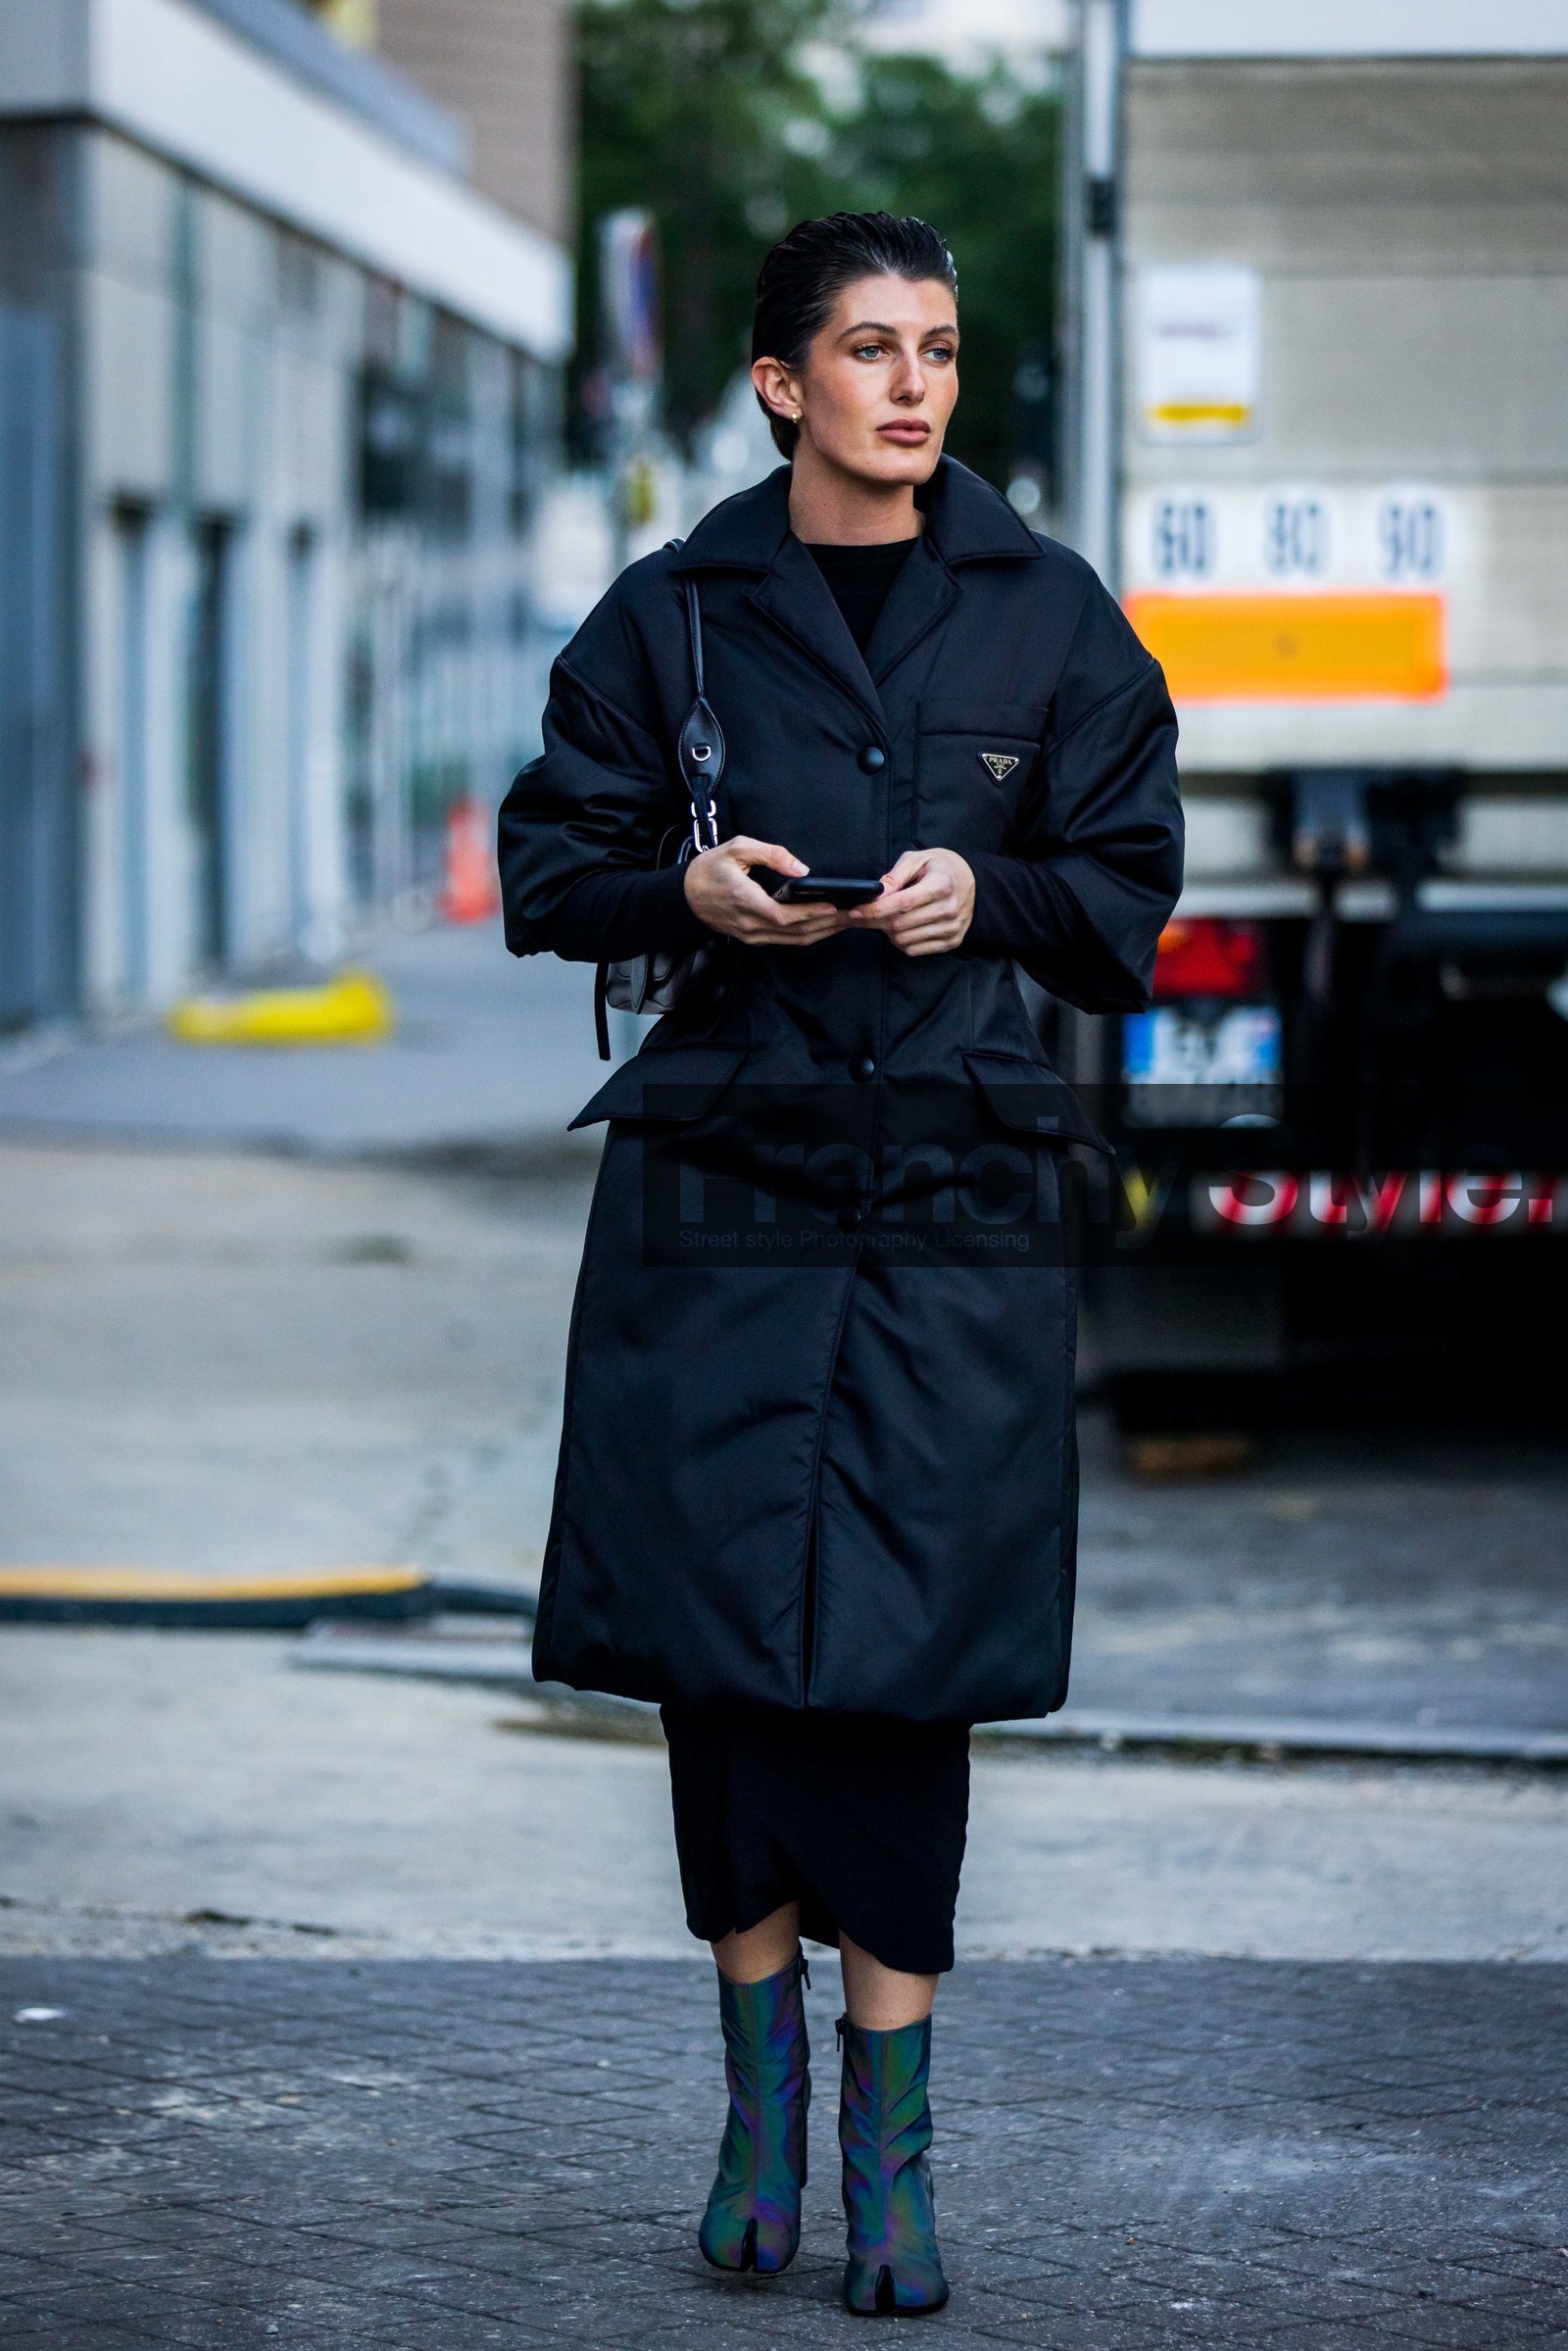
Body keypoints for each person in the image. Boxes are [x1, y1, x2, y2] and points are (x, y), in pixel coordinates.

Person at [498, 211, 1182, 2317]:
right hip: (728, 1195)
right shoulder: (672, 616)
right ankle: (757, 2123)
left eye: (942, 351)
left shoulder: (1049, 617)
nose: (913, 385)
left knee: (905, 1659)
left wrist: (986, 894)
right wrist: (688, 887)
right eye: (869, 350)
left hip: (954, 1192)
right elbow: (549, 865)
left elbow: (1124, 886)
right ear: (780, 383)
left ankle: (892, 2159)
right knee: (725, 1655)